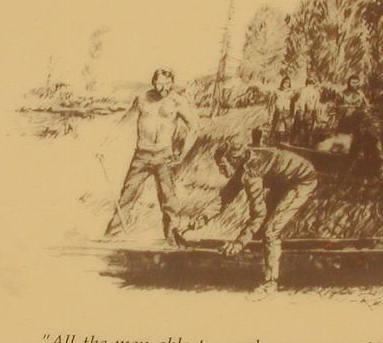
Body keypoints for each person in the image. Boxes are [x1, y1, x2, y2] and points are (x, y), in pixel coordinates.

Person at [186, 140, 318, 294]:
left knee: (271, 230)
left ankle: (270, 282)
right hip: (282, 180)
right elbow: (226, 196)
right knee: (262, 229)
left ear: (233, 160)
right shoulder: (243, 163)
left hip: (302, 180)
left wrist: (238, 243)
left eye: (222, 166)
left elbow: (258, 214)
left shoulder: (251, 172)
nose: (221, 172)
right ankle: (260, 267)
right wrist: (201, 218)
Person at [103, 68, 199, 243]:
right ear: (154, 82)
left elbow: (194, 128)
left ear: (172, 83)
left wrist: (182, 154)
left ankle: (173, 240)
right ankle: (110, 237)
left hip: (164, 155)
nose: (164, 88)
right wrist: (104, 145)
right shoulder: (142, 99)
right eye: (160, 83)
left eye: (168, 84)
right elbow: (124, 122)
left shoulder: (177, 101)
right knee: (126, 196)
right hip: (141, 155)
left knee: (169, 200)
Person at [291, 74, 322, 146]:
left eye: (311, 82)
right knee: (306, 127)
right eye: (310, 82)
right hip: (309, 110)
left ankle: (300, 142)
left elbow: (302, 101)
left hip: (306, 110)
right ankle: (304, 142)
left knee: (302, 126)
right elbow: (314, 104)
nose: (310, 84)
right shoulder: (315, 92)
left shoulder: (304, 90)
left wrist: (302, 111)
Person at [268, 76, 294, 145]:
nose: (286, 84)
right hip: (278, 111)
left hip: (287, 111)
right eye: (285, 82)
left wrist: (292, 114)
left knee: (288, 128)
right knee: (276, 127)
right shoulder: (276, 91)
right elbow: (271, 104)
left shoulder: (291, 92)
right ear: (282, 82)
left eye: (288, 83)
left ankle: (287, 143)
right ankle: (273, 142)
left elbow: (293, 104)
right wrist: (270, 115)